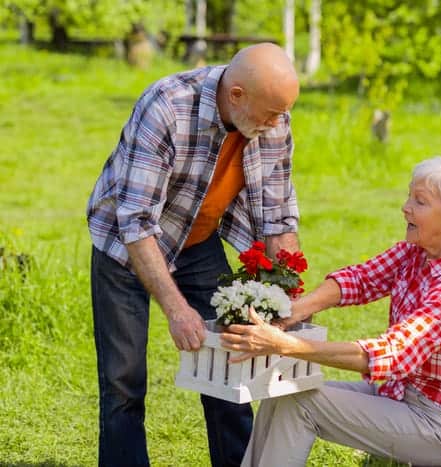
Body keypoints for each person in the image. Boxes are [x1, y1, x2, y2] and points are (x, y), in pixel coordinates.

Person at [86, 43, 300, 467]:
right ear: (236, 94)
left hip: (197, 240)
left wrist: (289, 295)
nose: (277, 123)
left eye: (283, 113)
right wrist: (176, 309)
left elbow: (278, 218)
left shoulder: (273, 119)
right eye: (270, 113)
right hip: (126, 245)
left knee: (227, 361)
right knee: (124, 381)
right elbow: (136, 223)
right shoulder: (166, 107)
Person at [222, 156, 441, 467]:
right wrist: (296, 309)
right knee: (285, 390)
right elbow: (361, 279)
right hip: (400, 393)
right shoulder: (417, 252)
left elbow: (389, 355)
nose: (405, 207)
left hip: (440, 425)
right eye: (410, 196)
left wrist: (285, 345)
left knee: (301, 403)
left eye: (419, 202)